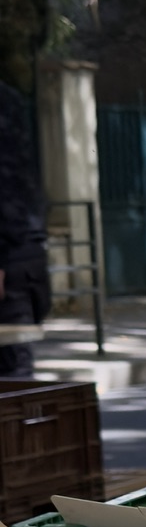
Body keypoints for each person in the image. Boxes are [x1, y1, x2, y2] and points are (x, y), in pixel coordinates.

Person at [0, 80, 50, 379]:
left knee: (12, 382)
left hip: (12, 254)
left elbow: (7, 185)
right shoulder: (10, 98)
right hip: (22, 250)